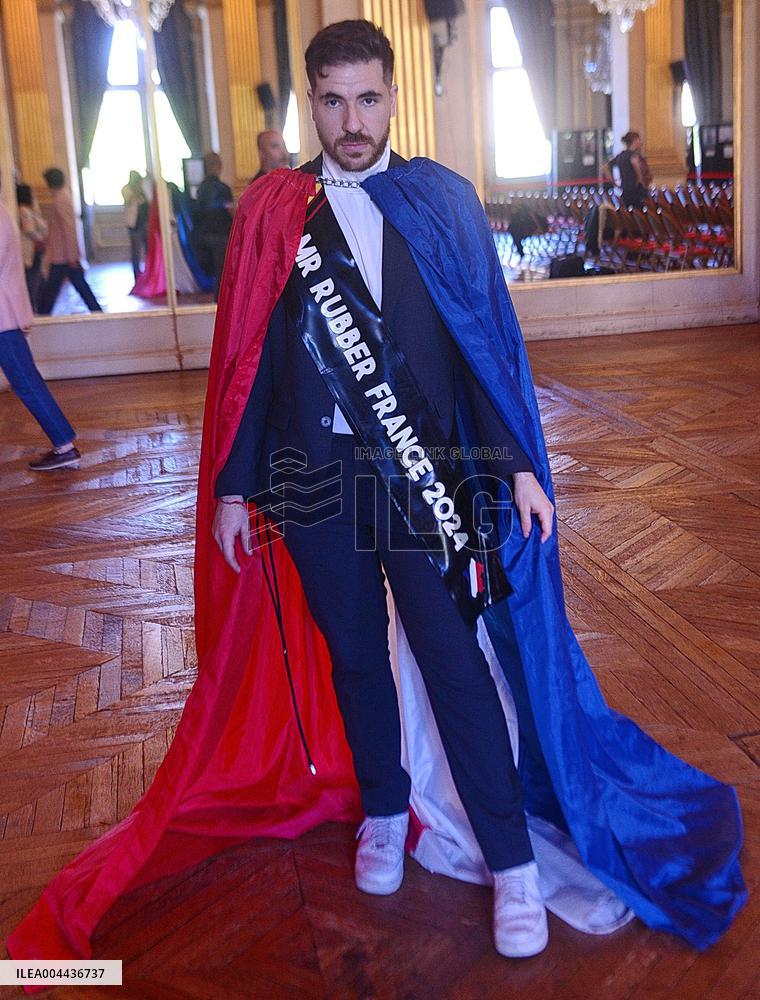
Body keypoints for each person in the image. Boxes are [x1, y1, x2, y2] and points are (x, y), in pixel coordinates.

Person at [6, 19, 745, 968]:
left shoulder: (442, 201)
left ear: (392, 98)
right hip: (311, 479)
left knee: (452, 660)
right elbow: (252, 365)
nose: (351, 120)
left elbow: (483, 347)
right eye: (332, 101)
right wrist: (232, 489)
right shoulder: (276, 212)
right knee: (354, 656)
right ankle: (386, 811)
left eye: (367, 98)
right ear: (309, 104)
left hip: (424, 475)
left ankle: (513, 861)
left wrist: (519, 462)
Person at [0, 197, 80, 470]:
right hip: (5, 314)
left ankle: (64, 445)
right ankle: (64, 444)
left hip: (3, 316)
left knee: (26, 381)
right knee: (26, 380)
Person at [37, 168, 102, 315]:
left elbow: (69, 229)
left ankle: (43, 314)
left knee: (55, 287)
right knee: (73, 285)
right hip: (63, 255)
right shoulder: (62, 197)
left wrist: (72, 256)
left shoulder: (61, 199)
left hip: (63, 255)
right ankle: (96, 310)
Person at [193, 152, 234, 300]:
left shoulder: (200, 189)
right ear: (218, 166)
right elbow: (230, 211)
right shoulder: (223, 188)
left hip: (203, 235)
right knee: (222, 272)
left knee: (216, 272)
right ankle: (220, 301)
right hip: (221, 235)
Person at [16, 183, 47, 312]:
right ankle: (33, 308)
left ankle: (41, 306)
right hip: (32, 249)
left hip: (35, 248)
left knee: (38, 277)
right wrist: (40, 239)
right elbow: (29, 230)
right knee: (33, 279)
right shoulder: (24, 211)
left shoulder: (30, 210)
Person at [603, 131, 653, 209]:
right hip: (637, 192)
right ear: (635, 140)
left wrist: (614, 183)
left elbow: (605, 167)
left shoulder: (620, 156)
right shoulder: (634, 156)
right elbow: (636, 168)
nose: (640, 142)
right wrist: (641, 181)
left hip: (625, 191)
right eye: (639, 140)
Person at [121, 170, 149, 279]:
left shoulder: (143, 189)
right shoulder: (126, 189)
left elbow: (147, 202)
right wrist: (136, 191)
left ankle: (148, 271)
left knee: (148, 249)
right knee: (136, 251)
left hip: (145, 223)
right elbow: (129, 200)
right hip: (134, 224)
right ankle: (137, 274)